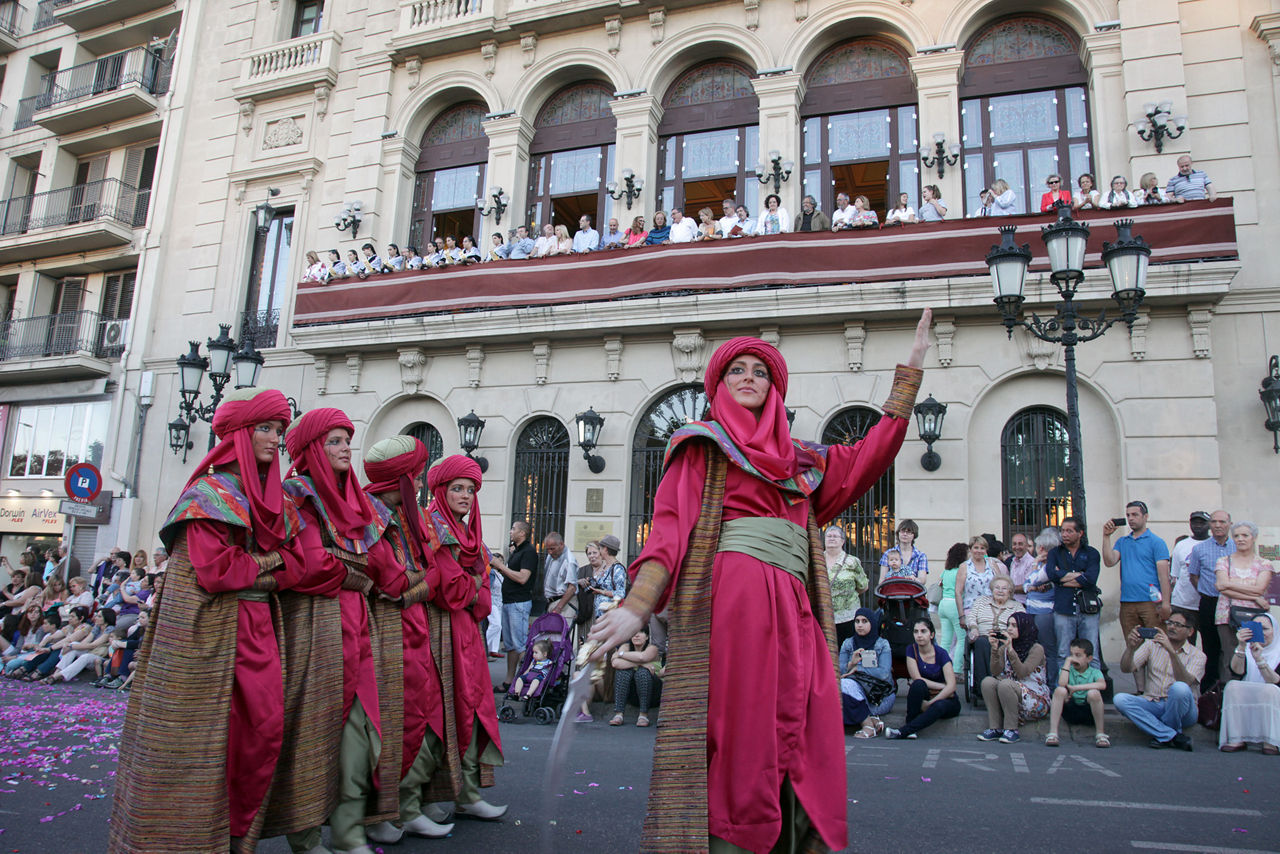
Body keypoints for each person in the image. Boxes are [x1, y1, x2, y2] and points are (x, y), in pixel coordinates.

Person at [588, 314, 930, 852]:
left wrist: (909, 375)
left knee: (808, 716)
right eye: (737, 371)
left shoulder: (802, 463)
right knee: (744, 727)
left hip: (798, 607)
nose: (749, 378)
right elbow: (671, 529)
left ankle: (788, 837)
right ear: (719, 385)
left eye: (760, 372)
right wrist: (639, 604)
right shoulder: (701, 444)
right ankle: (736, 839)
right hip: (735, 601)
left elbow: (868, 457)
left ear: (775, 387)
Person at [108, 388, 306, 853]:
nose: (275, 439)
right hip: (211, 635)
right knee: (204, 742)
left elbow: (297, 568)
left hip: (258, 629)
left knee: (262, 735)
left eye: (279, 430)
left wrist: (262, 565)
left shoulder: (273, 499)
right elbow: (219, 573)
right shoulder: (207, 495)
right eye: (265, 428)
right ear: (238, 432)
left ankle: (240, 836)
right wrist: (269, 563)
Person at [361, 435, 456, 844]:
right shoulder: (371, 514)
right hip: (383, 629)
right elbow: (393, 580)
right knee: (385, 720)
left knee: (418, 714)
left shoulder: (410, 514)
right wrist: (415, 586)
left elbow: (433, 576)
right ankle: (375, 815)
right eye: (414, 476)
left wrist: (413, 588)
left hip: (414, 625)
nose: (418, 484)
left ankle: (403, 806)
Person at [424, 455, 506, 820]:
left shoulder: (472, 536)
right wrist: (472, 587)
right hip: (439, 631)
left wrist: (471, 588)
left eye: (470, 490)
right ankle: (416, 801)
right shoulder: (432, 527)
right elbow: (450, 591)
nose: (466, 496)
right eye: (457, 488)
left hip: (469, 632)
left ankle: (469, 794)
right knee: (438, 714)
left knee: (473, 709)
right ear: (441, 490)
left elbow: (483, 596)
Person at [1103, 501, 1172, 689]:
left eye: (1135, 514)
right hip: (1128, 602)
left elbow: (1163, 575)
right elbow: (1109, 561)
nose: (1131, 519)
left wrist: (1166, 603)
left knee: (1157, 645)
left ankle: (1158, 687)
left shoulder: (1156, 542)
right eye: (1128, 515)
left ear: (1145, 516)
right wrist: (1106, 537)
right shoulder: (1122, 541)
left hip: (1151, 602)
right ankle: (1141, 689)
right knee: (1133, 644)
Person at [1114, 614, 1205, 750]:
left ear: (1190, 632)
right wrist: (1131, 648)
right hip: (1154, 702)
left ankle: (1164, 734)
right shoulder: (1151, 645)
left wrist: (1172, 653)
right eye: (1170, 623)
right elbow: (1126, 668)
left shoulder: (1198, 655)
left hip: (1184, 710)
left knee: (1179, 688)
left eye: (1178, 625)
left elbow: (1185, 681)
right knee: (1120, 699)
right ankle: (1172, 736)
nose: (1172, 627)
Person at [576, 536, 628, 722]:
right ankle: (589, 701)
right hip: (600, 618)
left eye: (601, 548)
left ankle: (605, 697)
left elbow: (620, 594)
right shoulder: (606, 568)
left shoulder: (617, 568)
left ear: (606, 550)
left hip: (610, 619)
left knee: (599, 656)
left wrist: (601, 592)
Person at [977, 612, 1050, 743]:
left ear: (1024, 628)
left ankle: (1012, 730)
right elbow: (995, 671)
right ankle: (995, 728)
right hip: (1010, 693)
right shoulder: (1004, 648)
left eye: (1014, 626)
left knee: (1005, 684)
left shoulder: (1036, 648)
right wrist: (994, 649)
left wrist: (1010, 650)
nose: (1009, 629)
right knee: (987, 682)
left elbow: (1022, 672)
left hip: (1034, 698)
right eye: (1008, 625)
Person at [886, 618, 961, 740]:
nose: (919, 635)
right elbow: (916, 677)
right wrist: (942, 686)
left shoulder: (941, 653)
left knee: (939, 706)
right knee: (918, 684)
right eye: (916, 632)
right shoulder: (911, 650)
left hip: (946, 698)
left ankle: (904, 731)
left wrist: (930, 703)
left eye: (923, 631)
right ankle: (910, 723)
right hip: (927, 693)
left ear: (931, 635)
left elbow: (952, 686)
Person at [1047, 516, 1102, 671]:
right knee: (1063, 652)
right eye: (1062, 530)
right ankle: (1063, 690)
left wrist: (1063, 578)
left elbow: (1090, 579)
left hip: (1087, 608)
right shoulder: (1054, 553)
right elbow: (1052, 575)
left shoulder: (1092, 553)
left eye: (1069, 531)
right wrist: (1079, 575)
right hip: (1064, 607)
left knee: (1091, 653)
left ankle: (1093, 690)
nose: (1064, 534)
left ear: (1080, 533)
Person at [1219, 612, 1280, 754]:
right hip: (1251, 695)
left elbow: (1275, 682)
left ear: (1274, 630)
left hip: (1275, 698)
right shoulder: (1246, 649)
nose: (1261, 633)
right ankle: (1236, 738)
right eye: (1256, 629)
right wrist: (1241, 646)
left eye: (1265, 629)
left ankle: (1271, 741)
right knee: (1232, 687)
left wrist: (1259, 659)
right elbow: (1237, 672)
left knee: (1269, 690)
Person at [1214, 521, 1274, 663]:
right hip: (1226, 614)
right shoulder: (1223, 561)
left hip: (1255, 614)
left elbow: (1259, 588)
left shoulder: (1264, 563)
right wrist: (1255, 598)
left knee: (1256, 652)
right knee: (1230, 654)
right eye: (1236, 536)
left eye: (1245, 535)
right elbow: (1222, 588)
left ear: (1254, 537)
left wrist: (1228, 584)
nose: (1240, 539)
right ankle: (1230, 684)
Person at [1188, 509, 1234, 688]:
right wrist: (1205, 590)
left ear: (1229, 524)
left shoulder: (1237, 547)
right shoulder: (1199, 549)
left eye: (1222, 522)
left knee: (1231, 646)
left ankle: (1230, 684)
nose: (1218, 525)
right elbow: (1194, 575)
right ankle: (1210, 690)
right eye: (1214, 522)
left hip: (1232, 602)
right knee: (1210, 648)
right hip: (1209, 602)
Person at [492, 520, 537, 693]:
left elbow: (523, 578)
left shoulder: (529, 552)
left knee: (519, 646)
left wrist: (501, 566)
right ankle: (509, 681)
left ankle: (524, 682)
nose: (510, 531)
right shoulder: (517, 550)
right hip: (509, 602)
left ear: (522, 533)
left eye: (513, 529)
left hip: (519, 603)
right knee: (510, 646)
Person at [839, 607, 895, 738]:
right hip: (855, 694)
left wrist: (858, 669)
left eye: (864, 621)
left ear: (872, 623)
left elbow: (884, 673)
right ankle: (872, 720)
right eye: (857, 621)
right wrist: (851, 663)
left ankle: (868, 726)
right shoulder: (848, 644)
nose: (860, 625)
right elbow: (838, 672)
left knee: (845, 686)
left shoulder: (882, 644)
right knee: (841, 687)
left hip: (879, 696)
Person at [1045, 638, 1109, 748]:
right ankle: (1053, 733)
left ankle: (1101, 734)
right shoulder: (1067, 669)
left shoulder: (1095, 672)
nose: (1073, 658)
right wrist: (1067, 662)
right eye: (1071, 654)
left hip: (1088, 712)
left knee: (1094, 693)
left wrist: (1077, 688)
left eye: (1078, 655)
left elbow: (1102, 685)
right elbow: (1062, 683)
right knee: (1060, 691)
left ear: (1089, 659)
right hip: (1071, 710)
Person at [966, 575, 1024, 692]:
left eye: (1004, 588)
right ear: (992, 590)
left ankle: (1000, 685)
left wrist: (1010, 633)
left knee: (1002, 646)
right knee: (981, 643)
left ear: (1010, 591)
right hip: (982, 636)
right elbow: (971, 616)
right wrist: (974, 627)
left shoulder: (1017, 606)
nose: (1000, 591)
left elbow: (1022, 624)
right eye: (997, 588)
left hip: (1005, 638)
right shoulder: (981, 601)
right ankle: (982, 688)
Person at [1023, 528, 1061, 676]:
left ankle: (1052, 685)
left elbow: (1030, 582)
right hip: (1033, 610)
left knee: (1048, 649)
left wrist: (1034, 566)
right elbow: (1028, 586)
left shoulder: (1049, 566)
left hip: (1045, 612)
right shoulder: (1039, 565)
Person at [825, 525, 868, 647]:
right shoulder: (817, 560)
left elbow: (863, 586)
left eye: (835, 536)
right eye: (829, 536)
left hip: (847, 616)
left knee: (846, 649)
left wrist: (845, 595)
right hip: (823, 616)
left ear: (842, 541)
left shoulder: (852, 562)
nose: (832, 538)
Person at [609, 626, 662, 727]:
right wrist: (639, 664)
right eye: (634, 633)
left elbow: (642, 657)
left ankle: (643, 715)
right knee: (623, 672)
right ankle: (618, 714)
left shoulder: (652, 648)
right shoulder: (625, 647)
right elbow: (615, 663)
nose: (636, 635)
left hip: (653, 693)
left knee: (642, 673)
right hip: (632, 693)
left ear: (647, 637)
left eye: (641, 632)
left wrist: (620, 654)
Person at [1170, 511, 1209, 630]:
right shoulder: (1181, 545)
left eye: (1202, 522)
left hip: (1207, 603)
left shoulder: (1214, 545)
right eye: (1194, 522)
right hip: (1183, 603)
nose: (1197, 525)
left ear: (1209, 524)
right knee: (1183, 643)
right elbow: (1174, 575)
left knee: (1210, 643)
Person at [937, 542, 968, 678]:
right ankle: (956, 670)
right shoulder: (961, 571)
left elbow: (941, 583)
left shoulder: (947, 571)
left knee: (946, 640)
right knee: (962, 638)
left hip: (943, 604)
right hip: (955, 605)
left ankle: (941, 668)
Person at [542, 532, 580, 624]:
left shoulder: (570, 561)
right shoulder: (551, 556)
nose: (550, 552)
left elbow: (572, 588)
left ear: (561, 544)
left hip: (564, 605)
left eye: (552, 549)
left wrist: (559, 607)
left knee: (562, 636)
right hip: (551, 602)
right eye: (548, 549)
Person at [879, 518, 929, 583]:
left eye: (908, 532)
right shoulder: (888, 554)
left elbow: (922, 580)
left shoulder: (921, 556)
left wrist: (912, 578)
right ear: (898, 533)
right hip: (892, 591)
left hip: (913, 591)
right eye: (902, 531)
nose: (905, 534)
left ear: (914, 535)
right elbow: (882, 580)